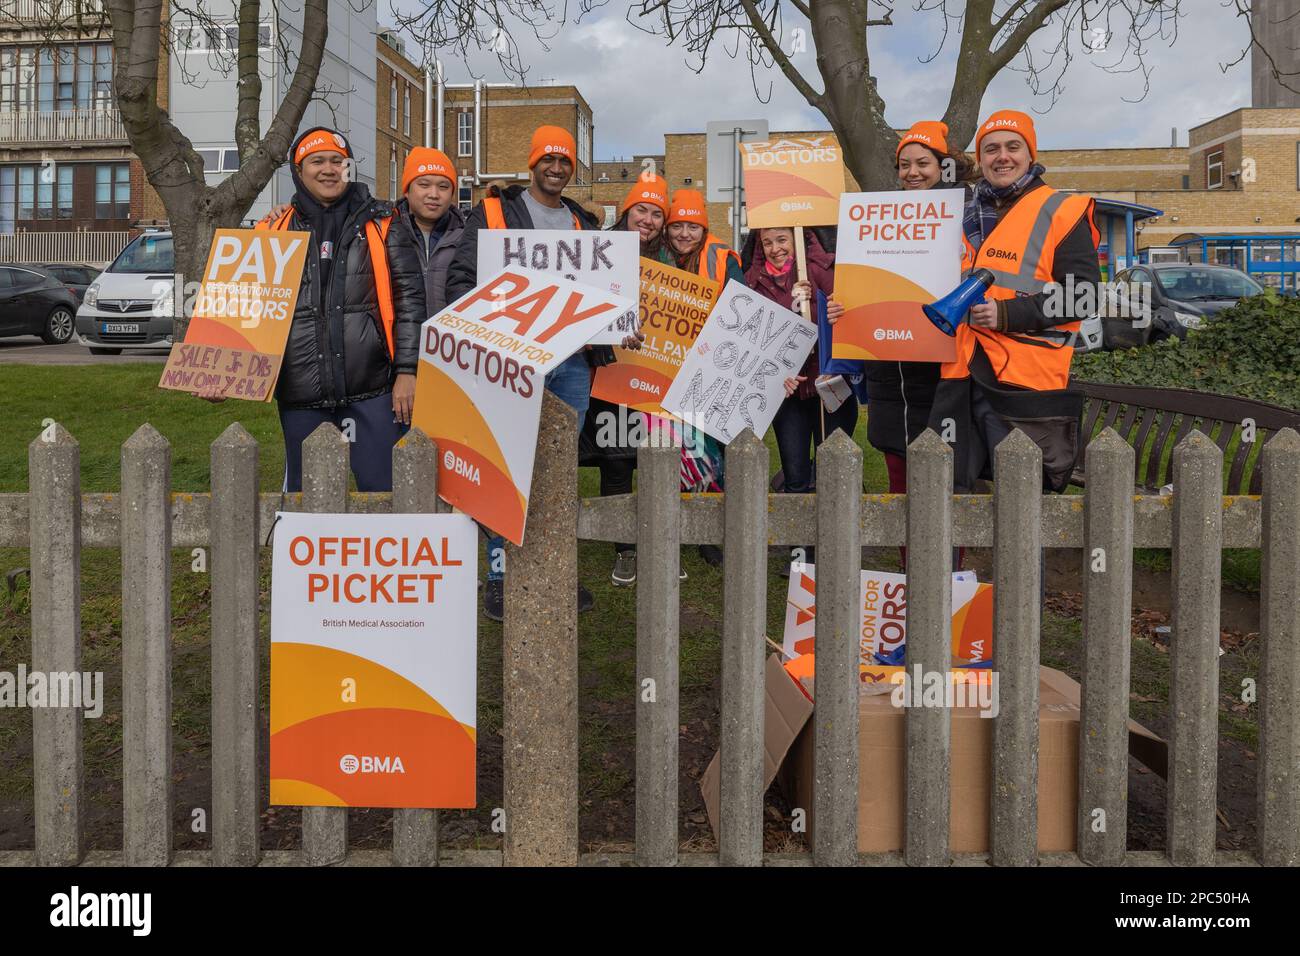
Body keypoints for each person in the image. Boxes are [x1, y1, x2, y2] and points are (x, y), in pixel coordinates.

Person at [446, 125, 612, 621]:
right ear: (533, 163)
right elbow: (461, 278)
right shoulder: (494, 213)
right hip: (514, 360)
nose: (556, 168)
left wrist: (619, 325)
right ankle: (499, 573)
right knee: (506, 464)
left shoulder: (583, 223)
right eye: (548, 160)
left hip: (571, 365)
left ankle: (554, 565)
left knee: (558, 469)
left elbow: (603, 291)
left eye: (565, 161)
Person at [219, 126, 425, 493]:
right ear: (299, 171)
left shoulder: (384, 223)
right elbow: (245, 310)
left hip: (374, 389)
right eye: (317, 161)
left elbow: (411, 301)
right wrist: (223, 374)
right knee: (307, 505)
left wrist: (408, 371)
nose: (329, 169)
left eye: (337, 161)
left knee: (384, 498)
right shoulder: (272, 230)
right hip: (302, 394)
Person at [928, 109, 1100, 494]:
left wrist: (1006, 314)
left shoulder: (1062, 210)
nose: (1001, 156)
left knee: (1021, 502)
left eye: (1012, 147)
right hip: (959, 375)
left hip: (1022, 382)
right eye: (990, 149)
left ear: (1029, 154)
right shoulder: (960, 213)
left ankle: (1020, 558)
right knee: (947, 495)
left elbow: (1084, 296)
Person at [742, 225, 854, 574]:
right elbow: (753, 339)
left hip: (830, 386)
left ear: (797, 239)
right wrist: (775, 373)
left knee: (833, 472)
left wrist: (824, 304)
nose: (776, 249)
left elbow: (852, 320)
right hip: (787, 393)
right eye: (768, 242)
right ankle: (800, 555)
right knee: (795, 474)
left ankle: (833, 549)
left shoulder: (825, 270)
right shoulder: (752, 281)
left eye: (782, 239)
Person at [581, 174, 669, 587]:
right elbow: (581, 302)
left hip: (655, 376)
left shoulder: (670, 258)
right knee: (616, 458)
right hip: (611, 373)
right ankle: (623, 547)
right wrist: (607, 333)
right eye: (641, 210)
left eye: (656, 214)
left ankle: (658, 537)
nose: (648, 220)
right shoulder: (599, 248)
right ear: (627, 210)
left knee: (656, 459)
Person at [657, 189, 746, 567]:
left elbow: (741, 308)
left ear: (703, 228)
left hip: (712, 368)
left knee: (713, 451)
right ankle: (672, 526)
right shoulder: (654, 255)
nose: (683, 234)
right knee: (671, 449)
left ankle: (710, 532)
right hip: (664, 367)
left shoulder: (722, 257)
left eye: (692, 227)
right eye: (677, 225)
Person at [395, 147, 465, 315]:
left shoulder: (467, 238)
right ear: (406, 190)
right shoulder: (386, 235)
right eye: (424, 185)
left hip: (448, 339)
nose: (434, 194)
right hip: (400, 340)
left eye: (443, 186)